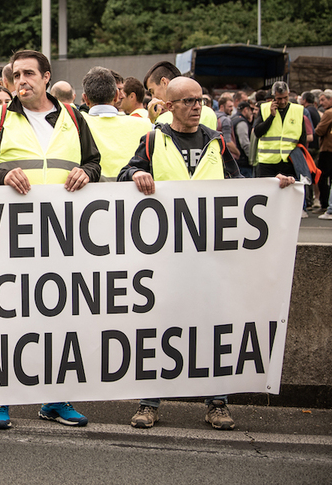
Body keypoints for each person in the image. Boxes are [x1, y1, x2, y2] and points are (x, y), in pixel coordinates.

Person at [117, 77, 294, 430]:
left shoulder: (216, 141)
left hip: (211, 255)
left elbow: (240, 187)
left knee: (214, 328)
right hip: (166, 256)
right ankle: (149, 402)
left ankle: (217, 402)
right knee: (159, 327)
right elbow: (124, 176)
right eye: (188, 101)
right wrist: (135, 173)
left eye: (200, 100)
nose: (197, 107)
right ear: (169, 106)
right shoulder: (153, 140)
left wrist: (274, 188)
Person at [0, 49, 100, 430]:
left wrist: (88, 173)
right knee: (7, 319)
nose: (20, 81)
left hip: (62, 237)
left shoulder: (74, 117)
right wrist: (2, 175)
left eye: (28, 74)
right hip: (11, 238)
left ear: (46, 77)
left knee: (58, 319)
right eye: (16, 75)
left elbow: (94, 162)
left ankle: (55, 399)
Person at [81, 67, 151, 180]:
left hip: (92, 189)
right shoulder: (145, 125)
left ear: (85, 99)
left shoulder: (75, 124)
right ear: (117, 96)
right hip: (134, 189)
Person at [252, 82, 309, 210]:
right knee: (266, 199)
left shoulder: (298, 110)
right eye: (279, 98)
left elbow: (303, 138)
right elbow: (258, 132)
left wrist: (299, 157)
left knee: (287, 199)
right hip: (267, 162)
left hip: (288, 161)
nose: (282, 101)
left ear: (288, 94)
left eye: (285, 98)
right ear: (273, 96)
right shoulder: (264, 108)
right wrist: (271, 117)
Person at [144, 61, 218, 130]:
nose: (153, 98)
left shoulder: (165, 119)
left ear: (164, 83)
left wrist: (151, 120)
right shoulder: (209, 113)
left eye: (153, 92)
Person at [232, 101, 256, 178]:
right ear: (246, 110)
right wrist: (251, 159)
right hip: (243, 163)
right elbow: (244, 143)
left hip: (236, 161)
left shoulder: (233, 118)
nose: (252, 112)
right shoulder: (241, 122)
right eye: (250, 110)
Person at [215, 93, 241, 161]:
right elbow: (228, 142)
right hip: (227, 157)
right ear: (221, 107)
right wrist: (238, 153)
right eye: (229, 106)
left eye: (232, 106)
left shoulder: (214, 117)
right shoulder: (225, 120)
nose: (232, 109)